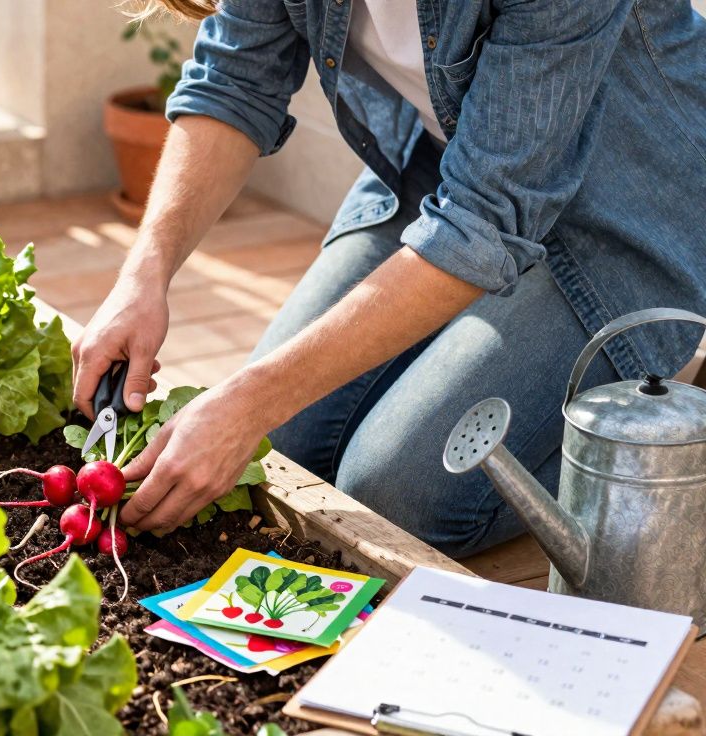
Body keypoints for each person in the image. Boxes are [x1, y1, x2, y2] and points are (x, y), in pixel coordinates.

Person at [73, 0, 706, 557]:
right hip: (454, 169)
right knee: (284, 449)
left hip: (629, 209)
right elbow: (234, 81)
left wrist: (246, 402)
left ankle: (658, 448)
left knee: (394, 494)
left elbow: (482, 224)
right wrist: (143, 274)